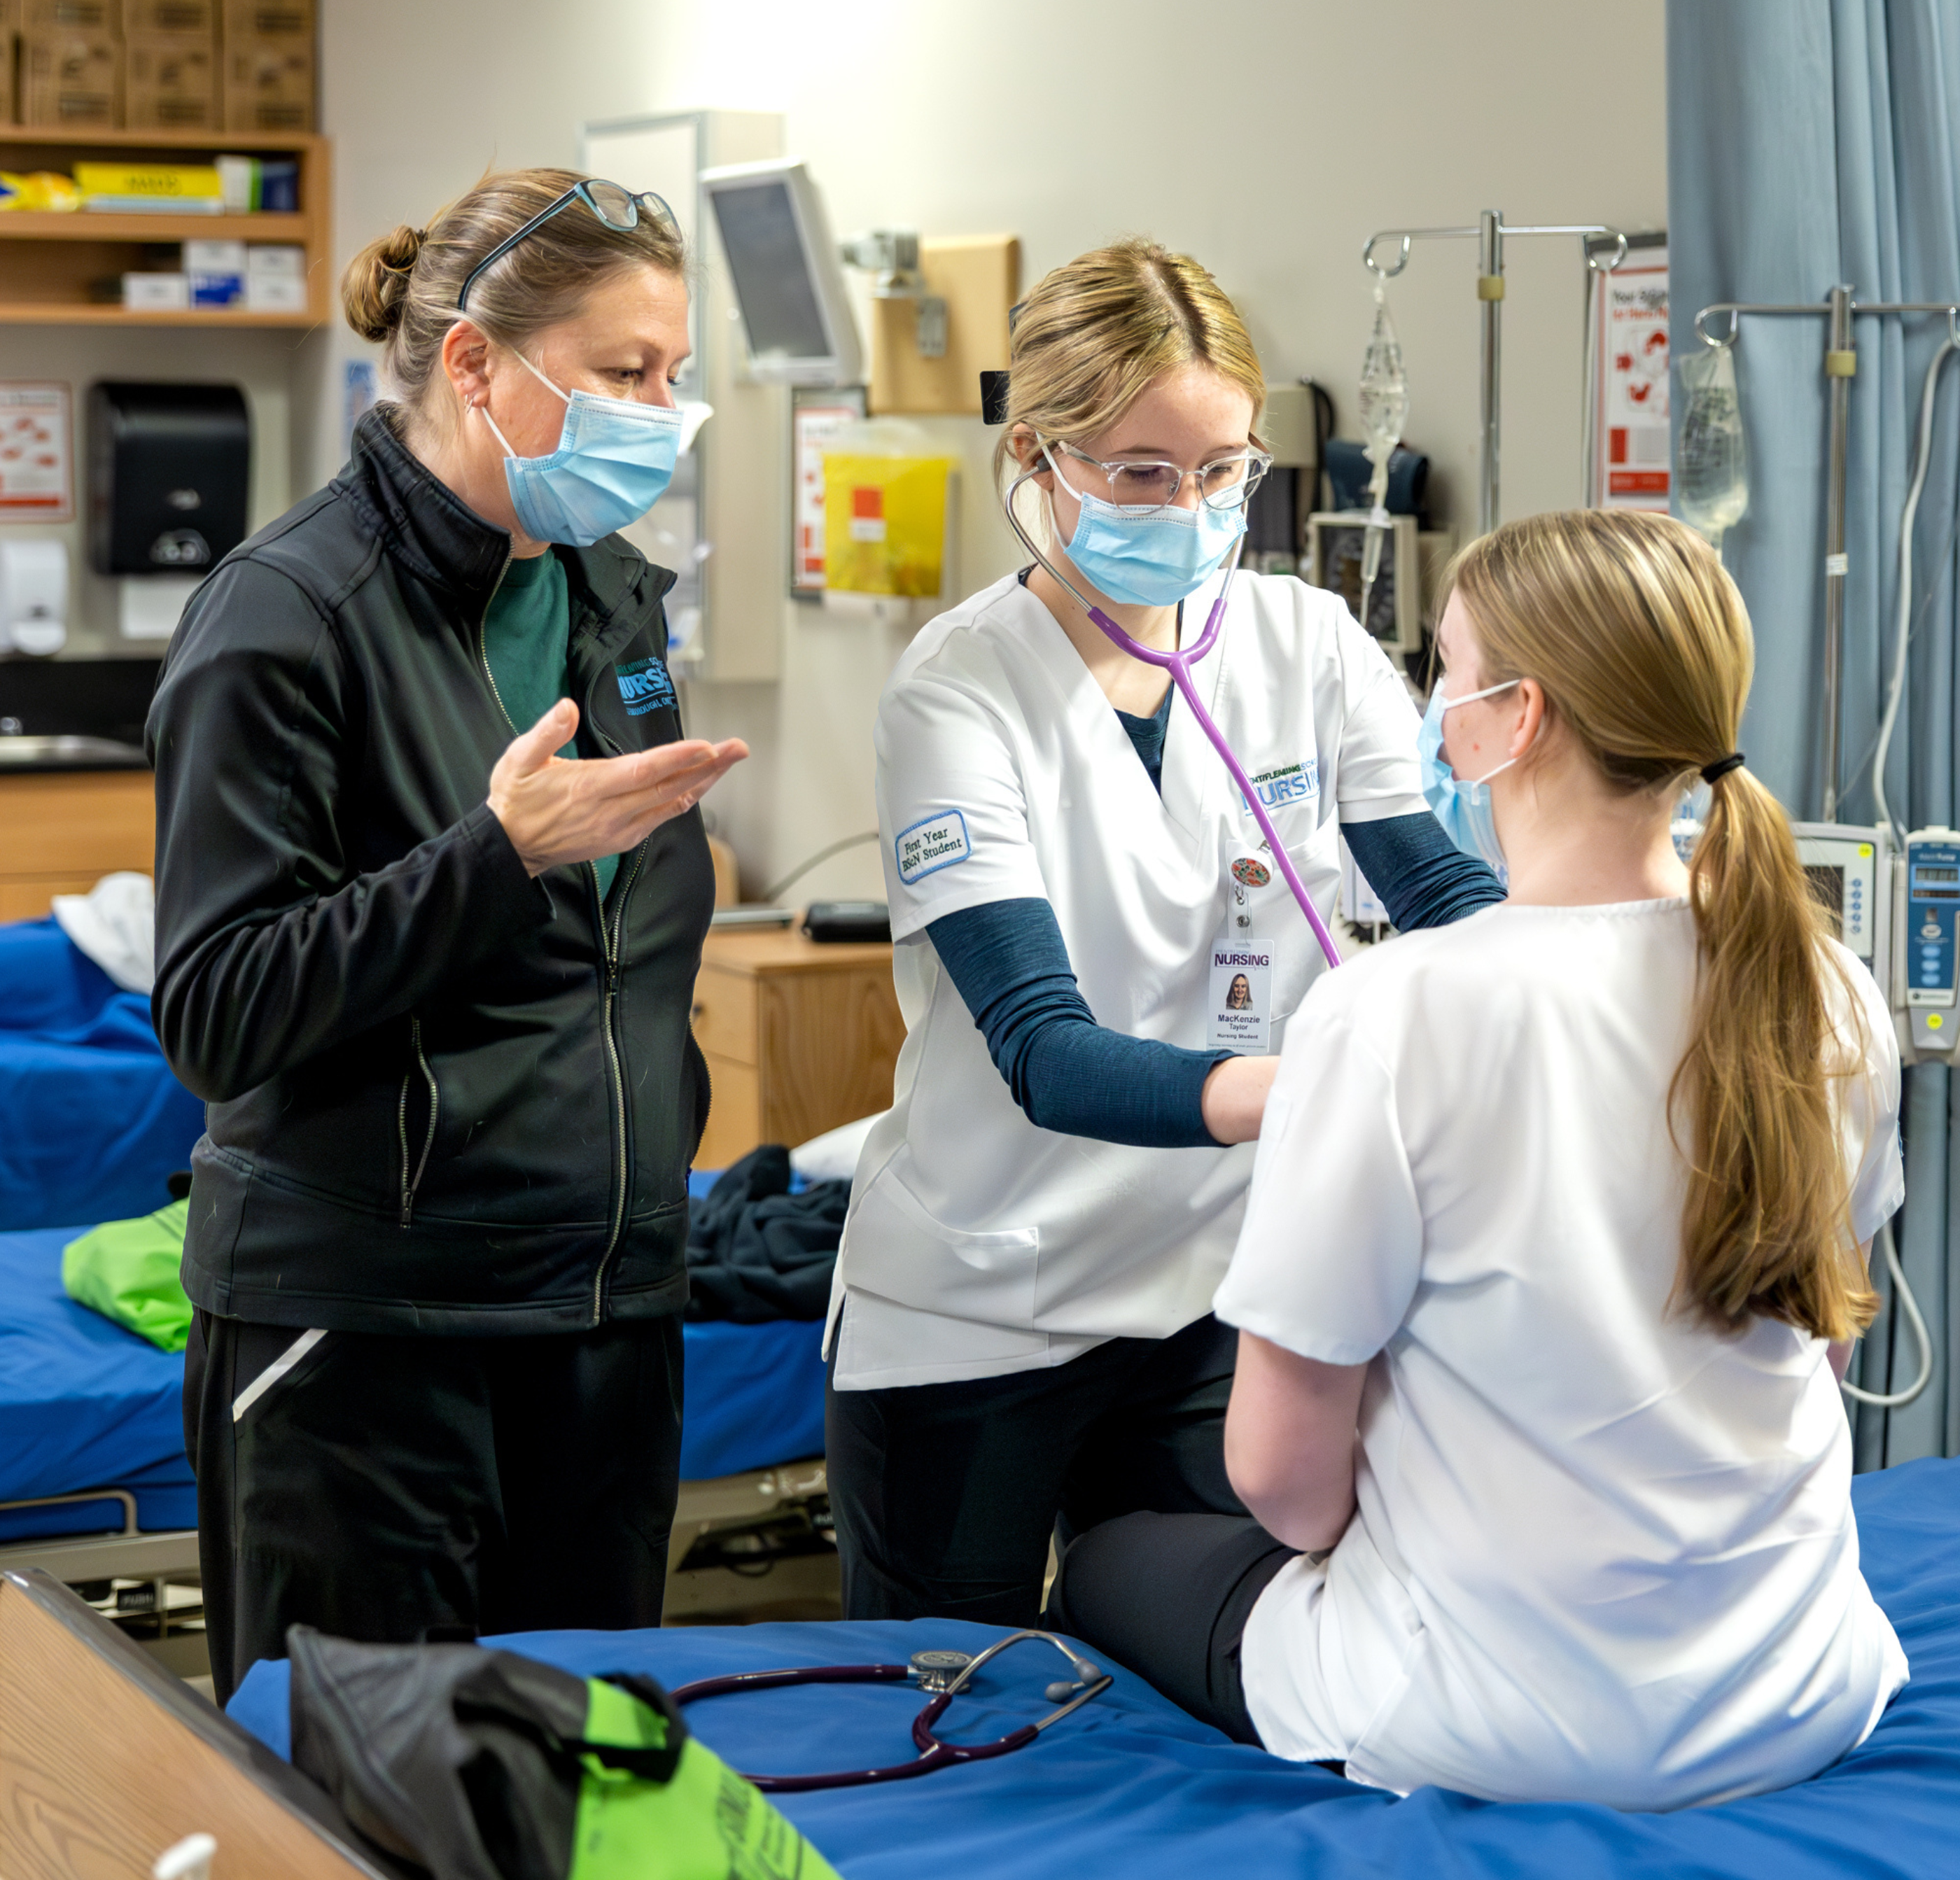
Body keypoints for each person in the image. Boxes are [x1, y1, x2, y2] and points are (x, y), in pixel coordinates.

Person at [1048, 510, 1908, 1809]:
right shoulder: (1824, 987)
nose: (1432, 704)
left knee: (1108, 1556)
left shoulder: (1393, 1013)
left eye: (1444, 668)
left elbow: (1284, 1487)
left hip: (1489, 1721)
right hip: (1795, 1690)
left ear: (1523, 717)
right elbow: (1820, 1347)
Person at [825, 240, 1505, 1625]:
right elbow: (1046, 1056)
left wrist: (1589, 977)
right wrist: (1329, 1091)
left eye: (1220, 470)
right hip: (985, 1302)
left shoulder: (1305, 644)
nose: (1188, 508)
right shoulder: (956, 692)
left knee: (1201, 1709)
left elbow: (1440, 891)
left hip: (1216, 1297)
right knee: (951, 1725)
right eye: (1140, 471)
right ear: (1039, 455)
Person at [149, 169, 747, 1703]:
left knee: (576, 1805)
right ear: (475, 362)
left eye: (672, 374)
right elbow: (217, 1006)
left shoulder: (614, 599)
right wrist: (493, 858)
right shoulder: (286, 615)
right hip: (366, 1334)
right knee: (357, 1817)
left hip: (603, 1317)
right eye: (624, 374)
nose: (660, 411)